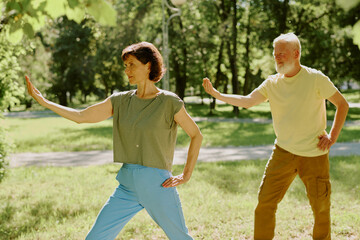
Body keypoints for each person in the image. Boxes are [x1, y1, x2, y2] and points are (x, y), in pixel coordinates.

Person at [26, 41, 202, 240]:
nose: (127, 70)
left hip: (157, 184)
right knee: (95, 238)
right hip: (127, 185)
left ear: (149, 66)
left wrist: (186, 174)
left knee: (180, 238)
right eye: (125, 66)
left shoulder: (169, 102)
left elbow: (196, 134)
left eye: (132, 64)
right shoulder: (120, 100)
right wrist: (44, 102)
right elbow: (81, 116)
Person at [202, 33, 349, 240]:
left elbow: (342, 104)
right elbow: (247, 101)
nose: (277, 58)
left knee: (321, 209)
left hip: (314, 154)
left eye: (281, 54)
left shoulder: (315, 78)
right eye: (275, 54)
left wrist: (332, 137)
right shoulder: (272, 83)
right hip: (283, 153)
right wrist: (218, 95)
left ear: (296, 54)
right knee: (264, 204)